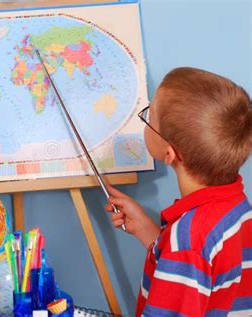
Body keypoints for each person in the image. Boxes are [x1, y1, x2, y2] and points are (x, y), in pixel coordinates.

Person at [106, 67, 252, 316]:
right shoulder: (236, 205)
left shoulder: (188, 239)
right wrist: (151, 235)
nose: (146, 122)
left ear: (169, 153)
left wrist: (177, 242)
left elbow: (192, 255)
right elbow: (209, 272)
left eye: (149, 118)